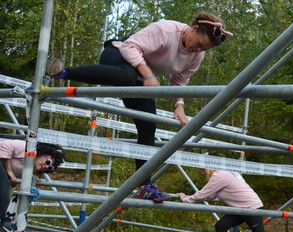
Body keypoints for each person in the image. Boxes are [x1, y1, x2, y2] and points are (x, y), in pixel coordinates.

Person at [46, 12, 233, 199]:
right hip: (118, 55)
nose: (198, 50)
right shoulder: (166, 30)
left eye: (204, 49)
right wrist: (147, 74)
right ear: (193, 29)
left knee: (148, 126)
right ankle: (63, 72)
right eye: (199, 44)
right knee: (126, 75)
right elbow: (130, 47)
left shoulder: (195, 56)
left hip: (139, 77)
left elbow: (180, 80)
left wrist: (179, 105)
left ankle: (144, 186)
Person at [177, 163, 284, 232]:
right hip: (240, 209)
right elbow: (210, 195)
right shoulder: (225, 173)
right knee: (221, 226)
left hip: (251, 208)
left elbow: (202, 194)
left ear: (210, 167)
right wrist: (192, 197)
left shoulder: (219, 175)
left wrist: (185, 199)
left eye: (203, 169)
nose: (202, 173)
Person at [0, 140, 65, 232]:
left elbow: (8, 180)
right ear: (43, 153)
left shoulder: (28, 169)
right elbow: (5, 145)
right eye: (48, 162)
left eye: (50, 167)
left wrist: (25, 179)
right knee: (4, 184)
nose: (46, 166)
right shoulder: (28, 149)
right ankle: (5, 222)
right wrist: (9, 170)